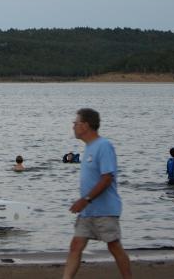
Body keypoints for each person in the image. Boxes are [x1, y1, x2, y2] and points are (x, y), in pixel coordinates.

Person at [63, 108, 131, 279]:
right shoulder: (88, 148)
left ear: (85, 125)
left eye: (76, 123)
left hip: (105, 210)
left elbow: (107, 178)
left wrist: (85, 199)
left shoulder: (104, 146)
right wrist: (84, 203)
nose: (73, 126)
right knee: (75, 246)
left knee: (114, 246)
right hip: (87, 211)